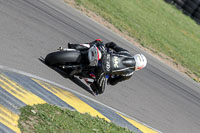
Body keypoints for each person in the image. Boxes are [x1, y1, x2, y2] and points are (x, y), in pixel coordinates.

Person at [68, 39, 147, 94]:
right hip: (102, 70)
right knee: (99, 91)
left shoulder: (126, 52)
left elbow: (112, 44)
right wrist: (109, 78)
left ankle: (74, 46)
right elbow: (113, 82)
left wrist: (105, 47)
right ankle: (81, 71)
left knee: (98, 41)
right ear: (139, 68)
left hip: (102, 55)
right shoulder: (129, 74)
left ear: (135, 56)